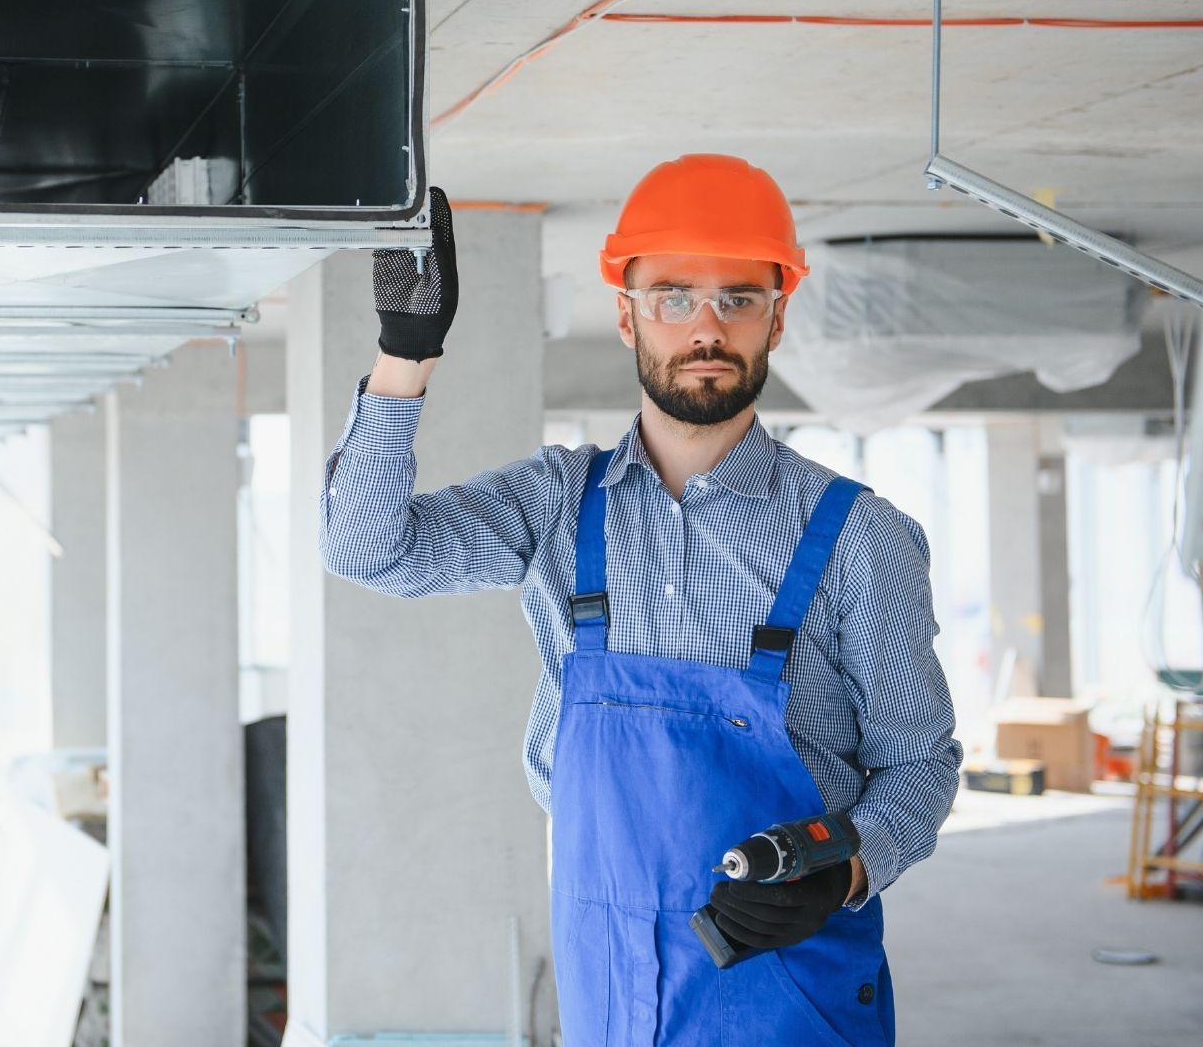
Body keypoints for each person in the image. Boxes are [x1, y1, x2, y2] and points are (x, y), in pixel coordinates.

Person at [319, 156, 962, 1045]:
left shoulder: (860, 537)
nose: (708, 327)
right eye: (673, 297)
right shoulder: (554, 505)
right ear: (626, 315)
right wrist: (405, 357)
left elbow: (921, 766)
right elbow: (365, 550)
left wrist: (845, 873)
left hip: (789, 988)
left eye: (739, 297)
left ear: (779, 315)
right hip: (609, 977)